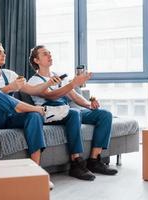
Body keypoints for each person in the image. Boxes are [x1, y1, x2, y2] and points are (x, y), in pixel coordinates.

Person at [28, 45, 118, 178]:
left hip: (65, 110)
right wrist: (73, 83)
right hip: (50, 113)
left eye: (50, 53)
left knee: (104, 114)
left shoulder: (58, 76)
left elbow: (74, 96)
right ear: (36, 60)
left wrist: (89, 105)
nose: (49, 55)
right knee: (74, 113)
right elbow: (51, 96)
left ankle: (94, 160)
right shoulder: (34, 81)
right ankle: (76, 163)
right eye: (45, 54)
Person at [0, 42, 62, 167]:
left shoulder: (9, 74)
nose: (3, 55)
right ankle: (38, 109)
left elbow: (32, 90)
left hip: (8, 117)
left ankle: (36, 169)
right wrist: (9, 88)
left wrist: (48, 83)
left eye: (3, 52)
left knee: (34, 115)